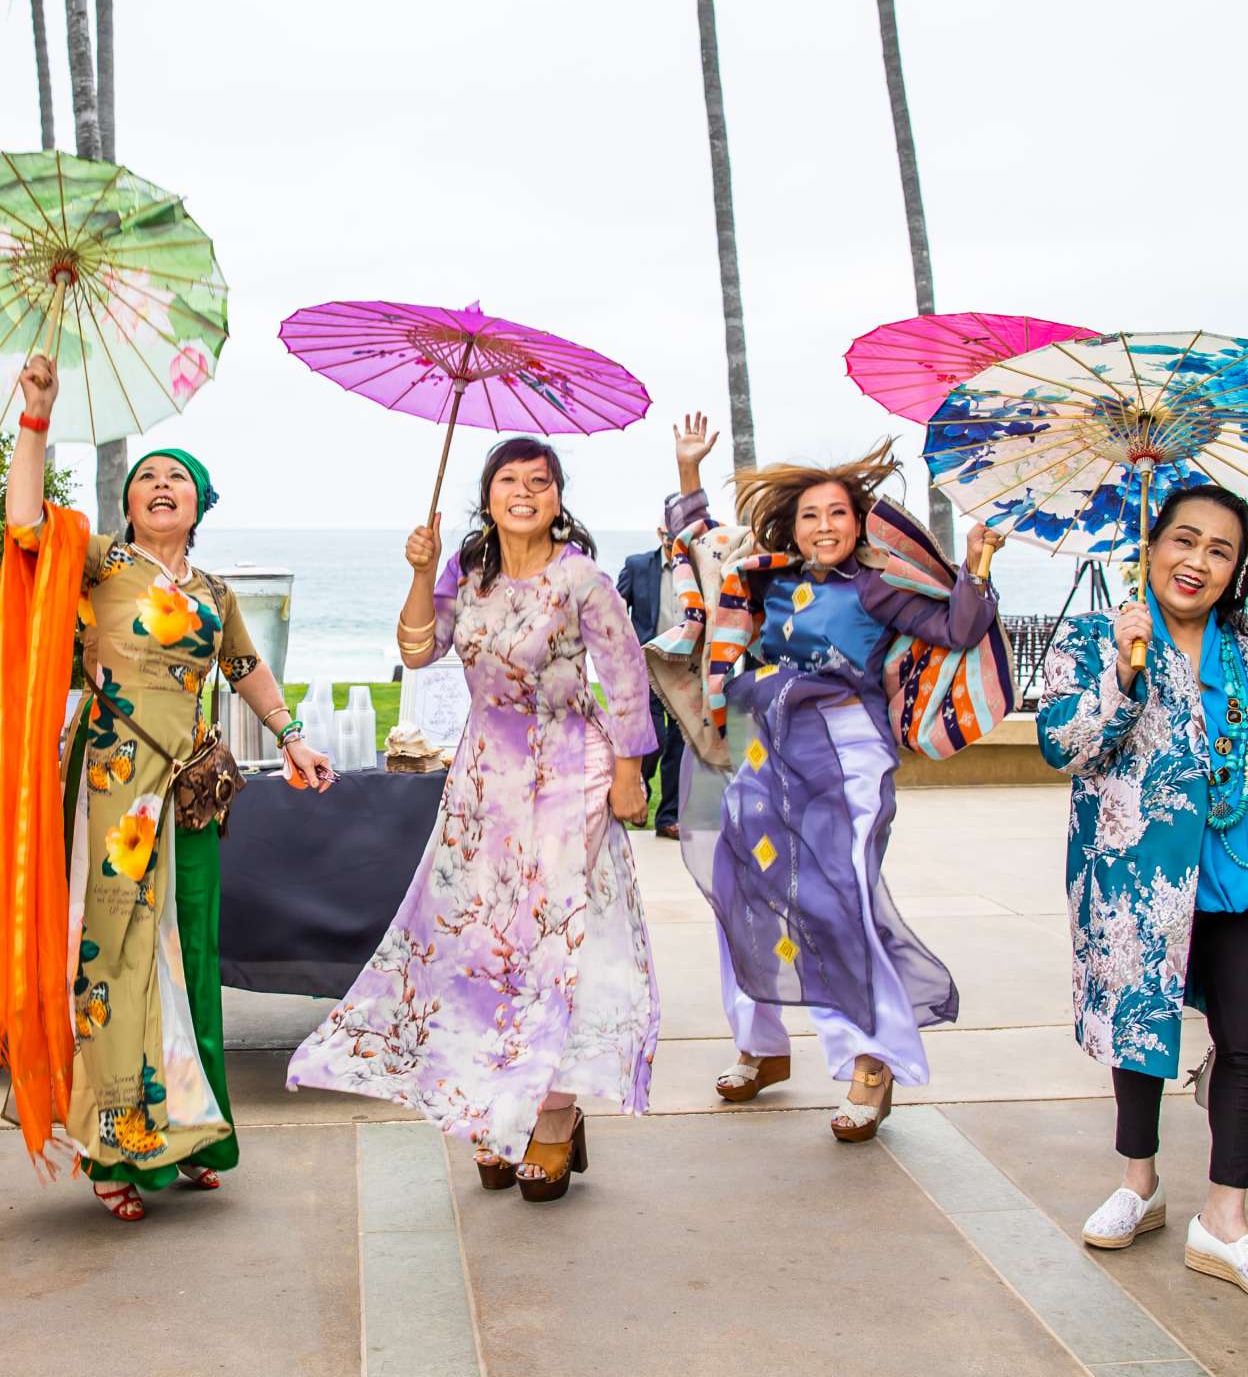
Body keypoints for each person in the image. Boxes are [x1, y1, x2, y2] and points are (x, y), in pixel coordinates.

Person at [0, 354, 335, 1223]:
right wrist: (37, 415)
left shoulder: (212, 593)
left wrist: (291, 738)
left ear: (200, 505)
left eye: (179, 478)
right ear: (129, 506)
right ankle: (115, 1146)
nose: (162, 485)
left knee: (187, 960)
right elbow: (24, 522)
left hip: (191, 793)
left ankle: (188, 1130)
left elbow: (246, 668)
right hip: (115, 783)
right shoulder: (99, 564)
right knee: (113, 957)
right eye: (148, 478)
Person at [288, 438, 657, 1202]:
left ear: (558, 497)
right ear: (487, 496)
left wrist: (628, 772)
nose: (523, 492)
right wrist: (422, 574)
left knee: (547, 944)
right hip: (484, 776)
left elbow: (625, 676)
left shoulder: (581, 578)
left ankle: (551, 1116)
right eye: (508, 481)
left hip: (567, 774)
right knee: (481, 944)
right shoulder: (469, 572)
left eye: (539, 481)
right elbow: (417, 651)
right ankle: (502, 1108)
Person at [657, 413, 1004, 1142]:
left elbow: (959, 629)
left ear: (857, 523)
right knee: (741, 885)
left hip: (847, 749)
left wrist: (976, 565)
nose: (823, 525)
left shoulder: (878, 590)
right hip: (762, 746)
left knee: (833, 896)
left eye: (836, 513)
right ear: (793, 523)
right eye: (810, 514)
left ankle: (870, 1061)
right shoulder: (764, 575)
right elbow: (700, 546)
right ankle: (761, 1046)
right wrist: (689, 470)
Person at [1035, 482, 1248, 1304]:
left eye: (1220, 551)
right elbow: (1062, 746)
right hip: (1144, 882)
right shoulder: (1100, 639)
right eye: (1184, 540)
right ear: (1152, 545)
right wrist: (1123, 679)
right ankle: (1141, 1182)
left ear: (1239, 570)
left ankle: (1226, 1223)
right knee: (1140, 1025)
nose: (1197, 561)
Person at [615, 539, 688, 838]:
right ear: (661, 533)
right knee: (654, 737)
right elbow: (615, 611)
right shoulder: (637, 565)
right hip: (646, 663)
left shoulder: (696, 568)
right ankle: (636, 789)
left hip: (684, 666)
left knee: (680, 742)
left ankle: (668, 817)